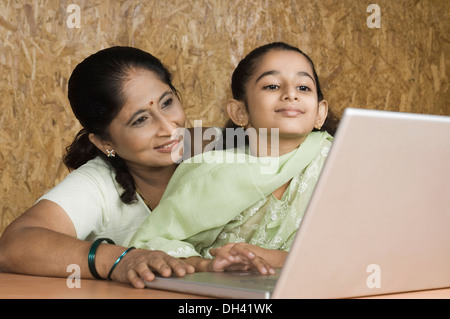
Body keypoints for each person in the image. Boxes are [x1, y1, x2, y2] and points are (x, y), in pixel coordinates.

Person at [128, 42, 339, 274]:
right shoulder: (210, 172)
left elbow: (364, 250)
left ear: (320, 113)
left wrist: (277, 259)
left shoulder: (339, 163)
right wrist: (207, 265)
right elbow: (151, 248)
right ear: (240, 112)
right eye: (272, 86)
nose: (290, 94)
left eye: (303, 87)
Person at [0, 46, 198, 289]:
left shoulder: (219, 155)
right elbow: (14, 246)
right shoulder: (98, 184)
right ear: (106, 143)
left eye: (167, 103)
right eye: (140, 120)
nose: (169, 128)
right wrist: (120, 259)